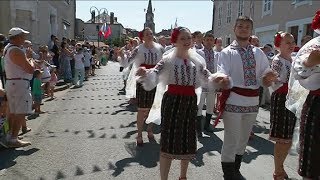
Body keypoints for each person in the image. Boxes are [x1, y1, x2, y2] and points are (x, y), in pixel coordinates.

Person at [136, 27, 230, 180]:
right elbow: (155, 72)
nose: (187, 42)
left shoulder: (197, 60)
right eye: (183, 39)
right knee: (168, 140)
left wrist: (220, 79)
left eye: (189, 38)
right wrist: (144, 73)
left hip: (190, 102)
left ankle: (183, 176)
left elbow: (208, 77)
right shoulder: (168, 59)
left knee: (187, 139)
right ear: (175, 41)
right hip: (172, 101)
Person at [216, 16, 277, 179]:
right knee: (232, 138)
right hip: (233, 100)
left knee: (243, 139)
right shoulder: (226, 52)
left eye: (247, 27)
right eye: (240, 26)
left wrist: (268, 77)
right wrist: (222, 79)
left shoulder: (258, 53)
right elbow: (222, 71)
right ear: (234, 29)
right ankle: (228, 173)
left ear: (251, 31)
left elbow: (265, 74)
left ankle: (236, 168)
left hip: (252, 102)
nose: (243, 29)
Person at [288, 10, 320, 180]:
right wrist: (309, 61)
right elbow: (299, 71)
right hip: (317, 104)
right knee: (312, 160)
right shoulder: (315, 45)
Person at [125, 27, 164, 146]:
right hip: (142, 81)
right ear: (142, 37)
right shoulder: (138, 49)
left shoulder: (159, 48)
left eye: (151, 33)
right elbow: (128, 62)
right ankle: (139, 134)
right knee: (142, 109)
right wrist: (122, 56)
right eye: (147, 34)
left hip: (155, 80)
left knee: (153, 107)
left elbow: (165, 63)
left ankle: (150, 129)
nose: (149, 35)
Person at [269, 31, 297, 180]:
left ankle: (280, 167)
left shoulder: (293, 59)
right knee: (282, 138)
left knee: (288, 137)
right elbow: (275, 83)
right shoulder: (278, 60)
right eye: (288, 42)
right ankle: (277, 171)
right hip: (282, 99)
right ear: (278, 45)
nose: (291, 45)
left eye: (293, 42)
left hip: (292, 99)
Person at [4, 27, 34, 147]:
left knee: (11, 111)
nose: (24, 38)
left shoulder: (8, 49)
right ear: (16, 38)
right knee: (20, 112)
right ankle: (13, 139)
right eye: (22, 36)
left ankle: (9, 135)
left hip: (13, 82)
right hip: (19, 84)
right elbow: (30, 69)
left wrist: (26, 57)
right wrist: (30, 59)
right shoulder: (16, 50)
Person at [196, 32, 217, 136]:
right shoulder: (198, 52)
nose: (209, 42)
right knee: (199, 105)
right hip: (201, 83)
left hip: (212, 84)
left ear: (214, 42)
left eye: (211, 40)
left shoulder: (217, 54)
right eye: (207, 40)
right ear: (203, 41)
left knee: (210, 105)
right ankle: (198, 128)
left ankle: (207, 125)